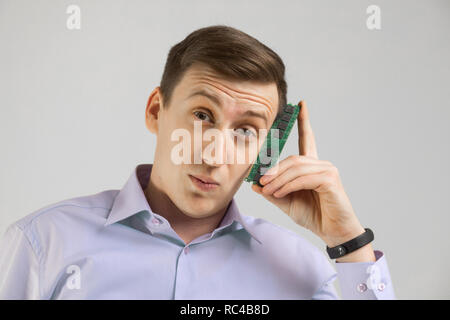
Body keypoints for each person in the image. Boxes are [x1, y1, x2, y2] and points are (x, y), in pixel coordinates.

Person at [0, 25, 395, 299]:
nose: (214, 154)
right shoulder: (42, 245)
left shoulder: (302, 270)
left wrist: (349, 242)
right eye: (203, 116)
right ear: (156, 110)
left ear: (265, 151)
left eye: (246, 131)